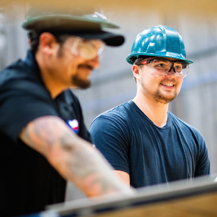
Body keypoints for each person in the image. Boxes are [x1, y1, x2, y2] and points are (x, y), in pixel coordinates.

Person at [0, 12, 134, 216]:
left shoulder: (68, 100)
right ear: (48, 44)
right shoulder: (14, 90)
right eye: (87, 47)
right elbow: (68, 149)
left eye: (99, 50)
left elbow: (92, 160)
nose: (95, 63)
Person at [90, 25, 210, 188]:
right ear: (136, 71)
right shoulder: (109, 128)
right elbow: (116, 206)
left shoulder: (194, 139)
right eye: (161, 65)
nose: (171, 75)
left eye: (178, 67)